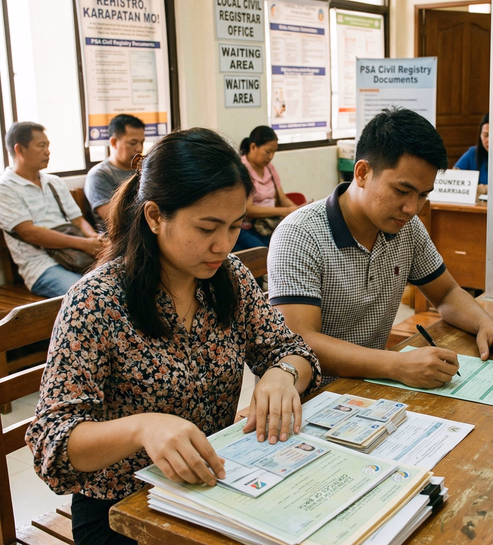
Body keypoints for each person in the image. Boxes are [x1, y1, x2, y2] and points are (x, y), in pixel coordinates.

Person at [26, 128, 322, 545]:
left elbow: (293, 350)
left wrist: (283, 374)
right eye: (206, 228)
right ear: (154, 216)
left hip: (214, 487)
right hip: (123, 508)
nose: (223, 244)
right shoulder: (97, 301)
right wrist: (141, 428)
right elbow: (51, 442)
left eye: (235, 226)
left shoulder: (229, 278)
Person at [268, 107, 493, 389]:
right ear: (362, 173)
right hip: (309, 399)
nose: (412, 208)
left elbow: (446, 293)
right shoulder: (299, 234)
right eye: (402, 191)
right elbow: (300, 341)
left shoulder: (407, 227)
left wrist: (486, 324)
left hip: (374, 386)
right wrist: (396, 364)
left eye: (422, 195)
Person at [0, 121, 103, 297]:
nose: (48, 152)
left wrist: (95, 239)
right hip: (41, 266)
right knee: (86, 295)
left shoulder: (54, 182)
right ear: (19, 149)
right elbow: (29, 233)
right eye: (41, 146)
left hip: (78, 255)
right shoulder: (5, 188)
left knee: (127, 279)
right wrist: (85, 244)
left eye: (48, 146)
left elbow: (78, 220)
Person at [233, 126, 301, 251]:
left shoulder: (269, 168)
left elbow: (282, 198)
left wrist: (298, 211)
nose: (271, 156)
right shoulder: (241, 169)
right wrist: (284, 211)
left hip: (268, 223)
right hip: (246, 227)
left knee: (291, 246)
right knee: (266, 254)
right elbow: (247, 209)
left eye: (274, 152)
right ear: (253, 147)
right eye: (268, 151)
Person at [84, 114, 146, 230]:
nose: (139, 149)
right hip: (122, 238)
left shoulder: (143, 169)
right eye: (132, 143)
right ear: (113, 143)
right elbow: (114, 220)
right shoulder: (99, 175)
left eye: (141, 143)